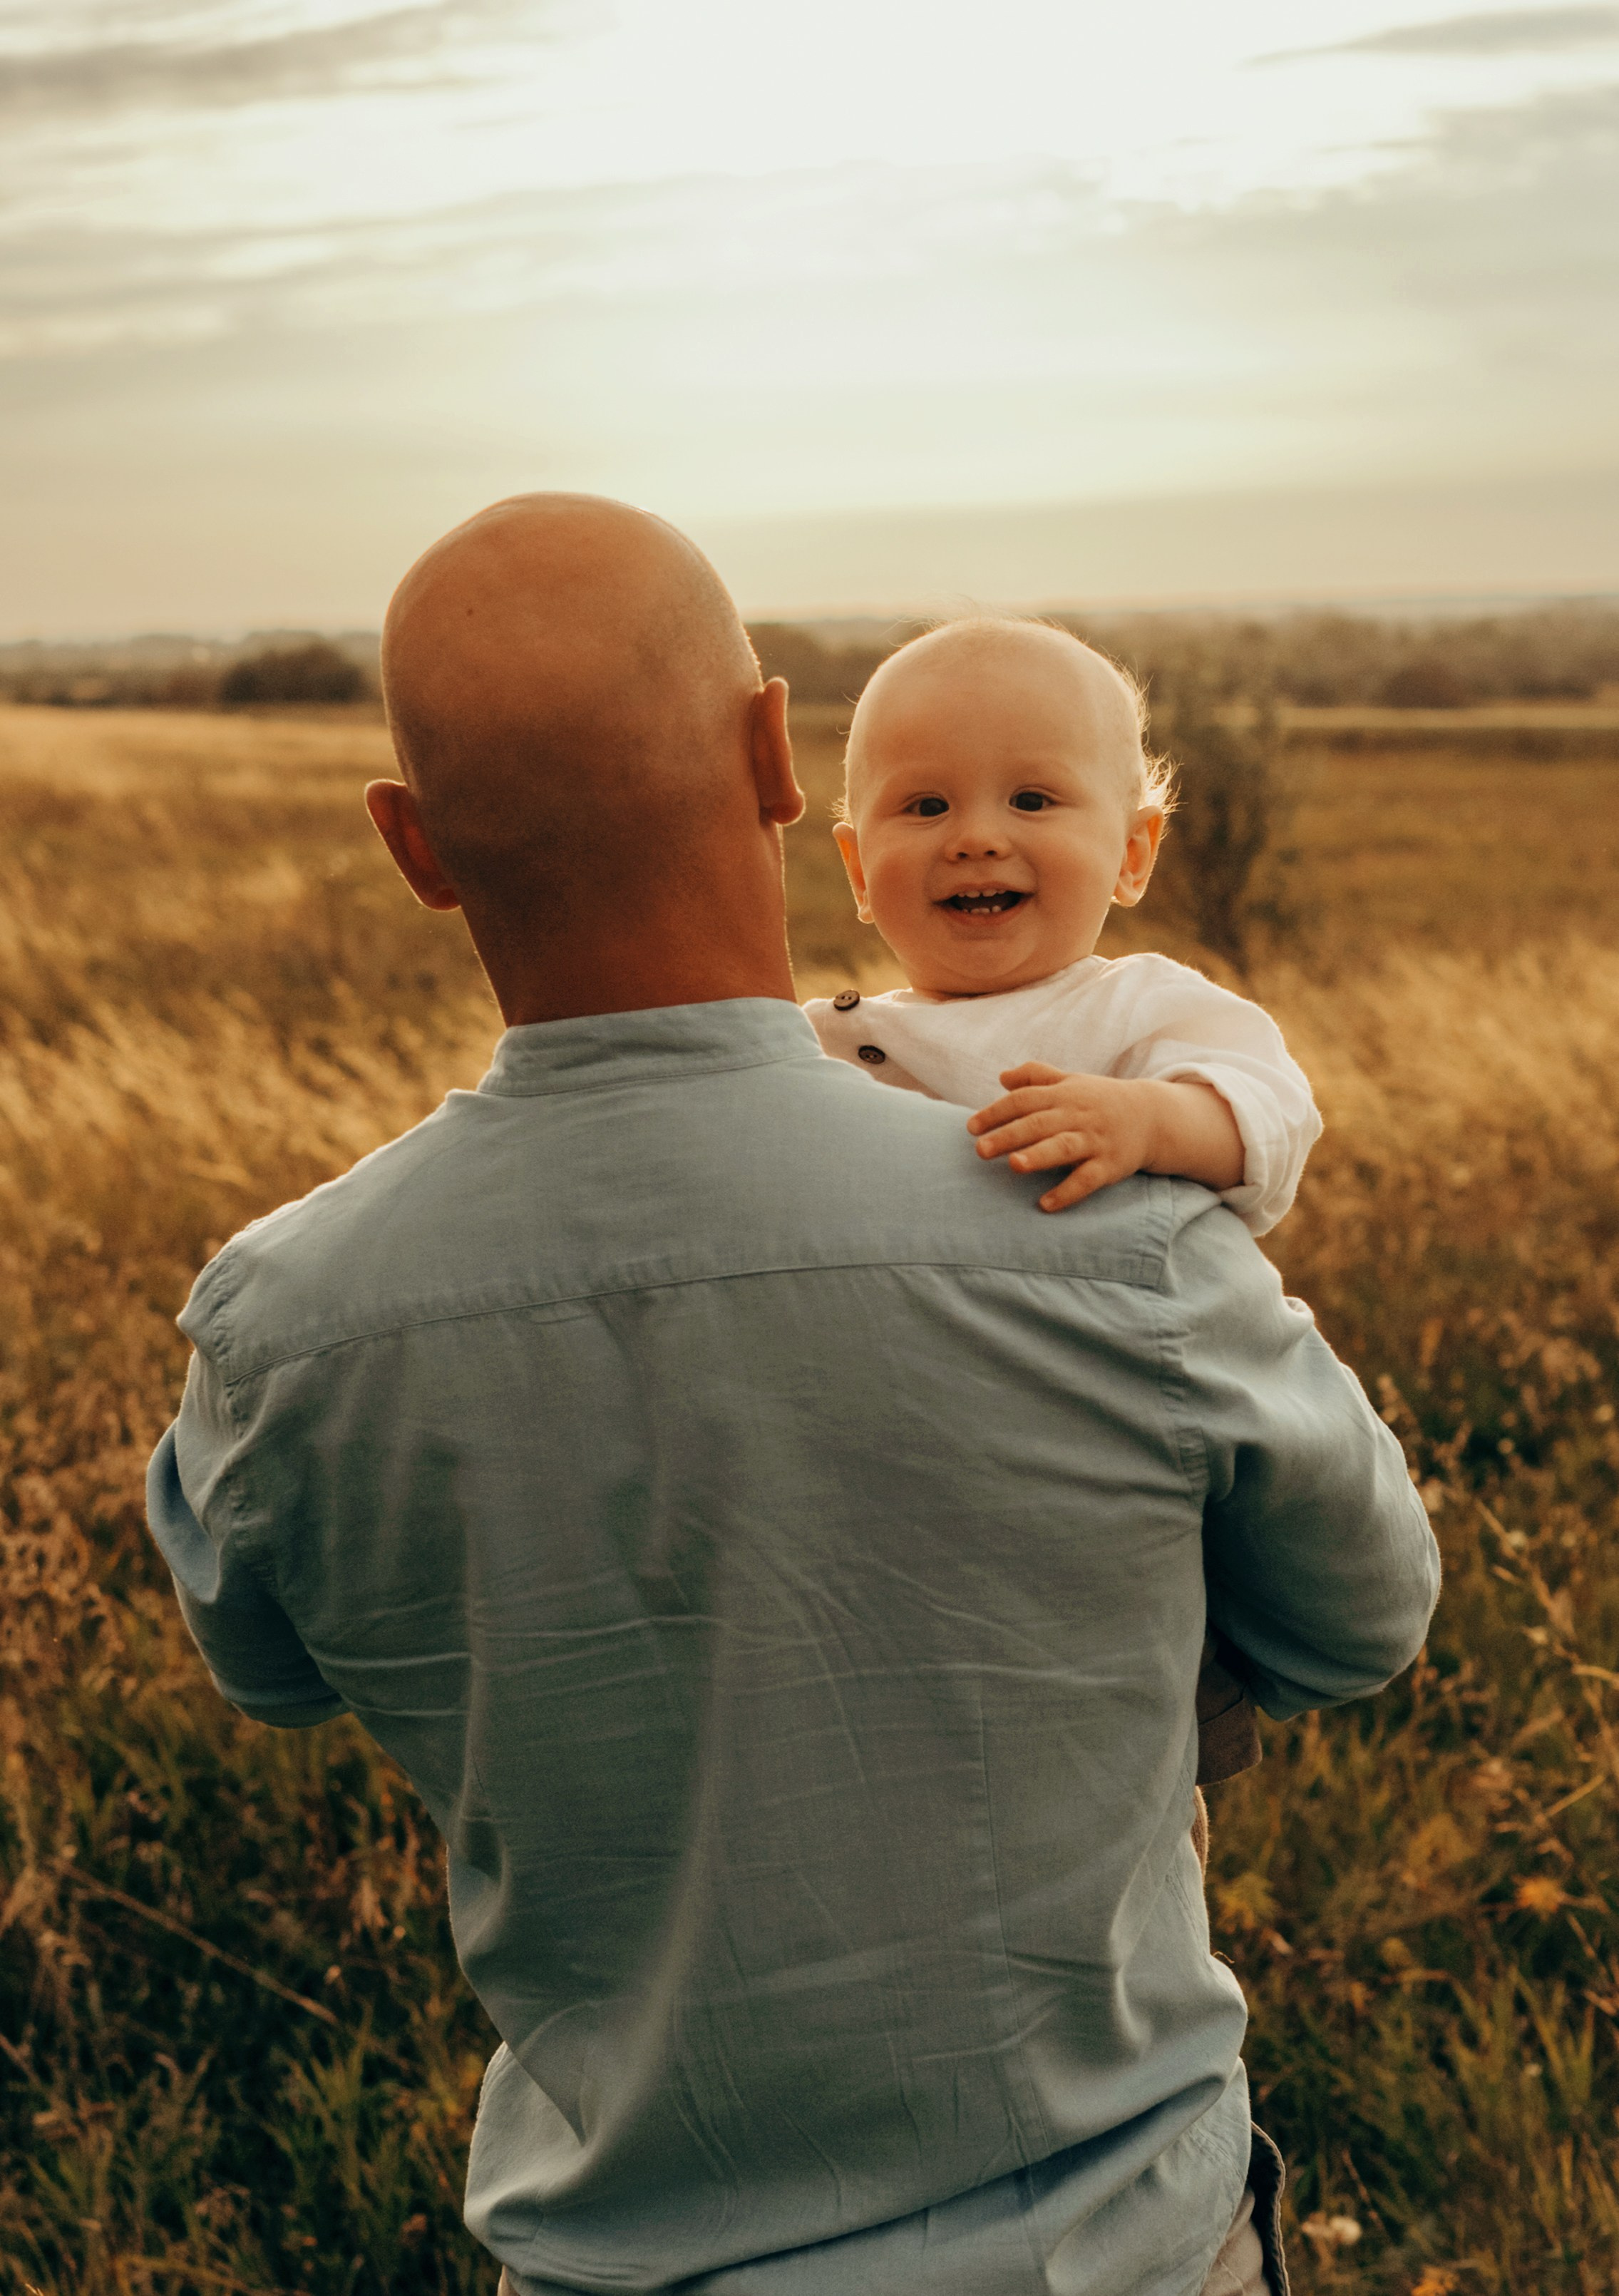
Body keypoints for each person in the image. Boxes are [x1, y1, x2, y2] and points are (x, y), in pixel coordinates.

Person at [145, 493, 1440, 2296]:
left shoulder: (278, 1328)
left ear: (414, 845)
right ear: (775, 760)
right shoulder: (1108, 1228)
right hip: (1104, 2248)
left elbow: (273, 1671)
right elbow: (1364, 1618)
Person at [805, 617, 1322, 1828]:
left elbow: (1271, 1118)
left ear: (1133, 851)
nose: (976, 835)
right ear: (856, 868)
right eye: (924, 806)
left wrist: (1148, 1120)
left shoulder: (1143, 1014)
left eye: (1033, 799)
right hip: (895, 1493)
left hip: (1099, 1489)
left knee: (1125, 1792)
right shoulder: (826, 1038)